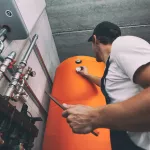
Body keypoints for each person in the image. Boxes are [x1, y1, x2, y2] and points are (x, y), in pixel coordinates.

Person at [62, 21, 150, 150]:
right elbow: (107, 84)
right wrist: (87, 75)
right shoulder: (113, 65)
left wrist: (93, 117)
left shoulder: (122, 44)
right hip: (127, 140)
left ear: (95, 40)